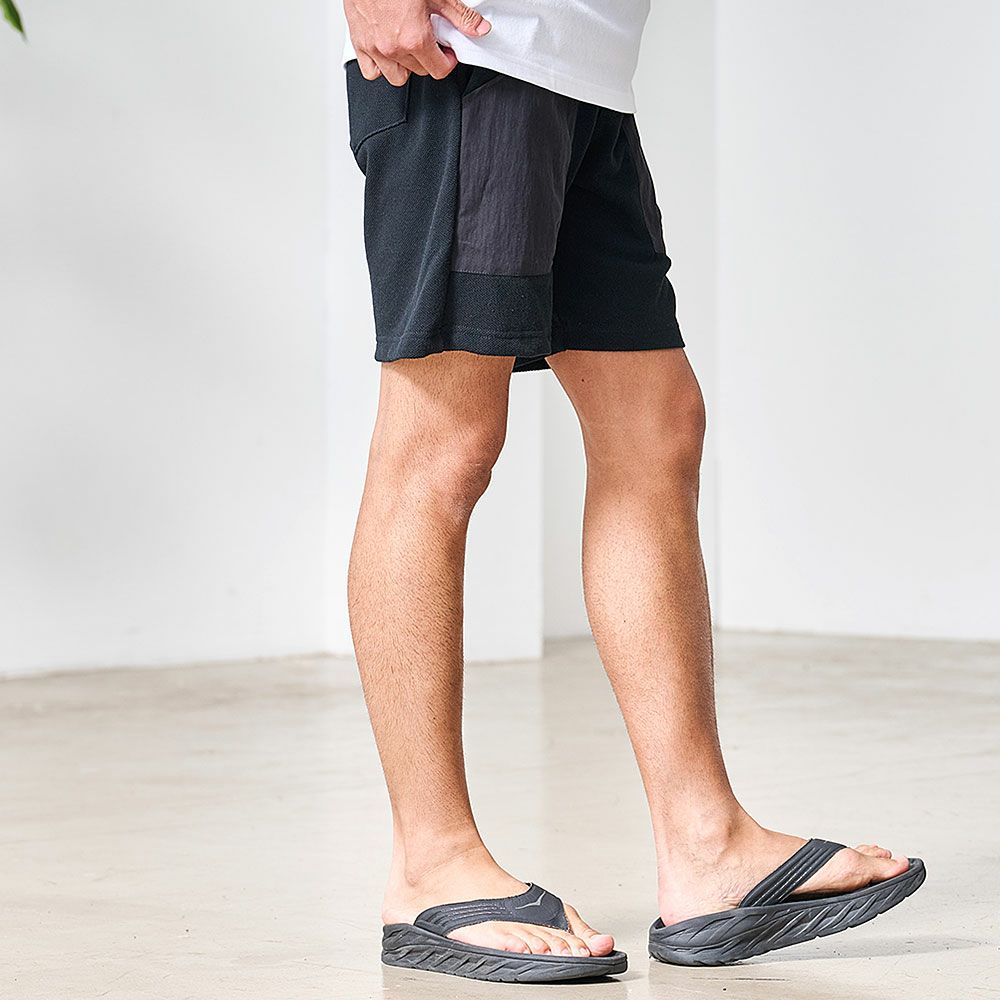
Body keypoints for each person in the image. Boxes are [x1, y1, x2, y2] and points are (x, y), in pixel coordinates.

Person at [342, 0, 924, 983]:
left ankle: (707, 844)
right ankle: (429, 862)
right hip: (473, 52)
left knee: (655, 426)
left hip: (582, 66)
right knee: (443, 444)